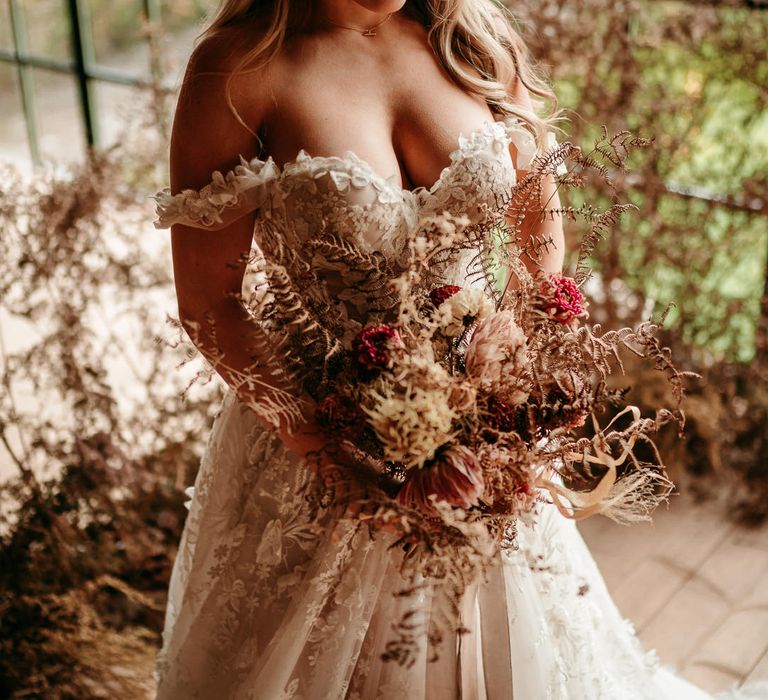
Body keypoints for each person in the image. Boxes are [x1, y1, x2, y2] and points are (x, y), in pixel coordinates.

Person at [151, 0, 768, 697]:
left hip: (493, 441)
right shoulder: (239, 68)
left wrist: (524, 372)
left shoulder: (469, 37)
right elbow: (209, 303)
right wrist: (327, 449)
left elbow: (539, 221)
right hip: (322, 443)